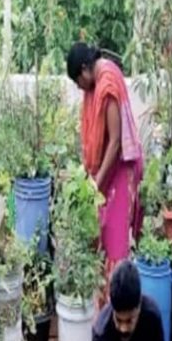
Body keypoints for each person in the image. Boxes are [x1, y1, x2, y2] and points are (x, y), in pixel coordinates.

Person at [66, 42, 144, 271]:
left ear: (84, 70)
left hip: (120, 170)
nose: (81, 89)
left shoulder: (107, 82)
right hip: (109, 172)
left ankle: (115, 303)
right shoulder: (98, 81)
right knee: (100, 240)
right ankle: (104, 301)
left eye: (78, 82)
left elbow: (115, 142)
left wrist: (95, 185)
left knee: (115, 244)